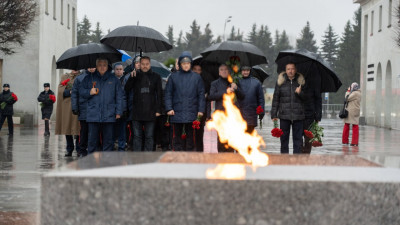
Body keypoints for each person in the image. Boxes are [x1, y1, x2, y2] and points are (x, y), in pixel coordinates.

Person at [80, 58, 123, 153]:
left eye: (104, 65)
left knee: (108, 141)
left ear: (107, 66)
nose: (102, 67)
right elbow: (81, 92)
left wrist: (118, 112)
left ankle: (106, 163)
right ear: (96, 66)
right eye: (100, 65)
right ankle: (92, 163)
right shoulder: (88, 78)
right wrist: (89, 92)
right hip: (93, 114)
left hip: (109, 114)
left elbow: (119, 96)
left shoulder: (114, 80)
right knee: (92, 142)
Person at [165, 51, 206, 151]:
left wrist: (201, 110)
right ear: (180, 64)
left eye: (188, 63)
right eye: (184, 63)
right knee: (177, 139)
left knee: (191, 139)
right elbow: (168, 94)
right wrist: (169, 108)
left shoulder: (197, 77)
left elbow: (201, 95)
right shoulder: (173, 77)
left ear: (190, 64)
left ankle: (189, 160)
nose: (186, 65)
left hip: (192, 112)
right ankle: (178, 161)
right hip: (176, 112)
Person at [125, 56, 162, 151]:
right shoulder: (134, 75)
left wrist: (158, 110)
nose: (145, 66)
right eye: (143, 64)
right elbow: (126, 89)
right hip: (136, 112)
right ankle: (138, 158)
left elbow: (159, 94)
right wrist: (131, 78)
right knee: (137, 137)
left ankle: (147, 158)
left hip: (151, 111)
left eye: (147, 64)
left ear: (150, 64)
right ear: (139, 65)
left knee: (149, 136)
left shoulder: (156, 77)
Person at [208, 64, 244, 152]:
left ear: (229, 71)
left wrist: (236, 88)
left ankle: (231, 159)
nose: (224, 71)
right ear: (219, 72)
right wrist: (225, 92)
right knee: (221, 140)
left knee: (231, 140)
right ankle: (221, 159)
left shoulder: (234, 82)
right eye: (222, 70)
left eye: (226, 70)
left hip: (233, 116)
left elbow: (242, 96)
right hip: (221, 115)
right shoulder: (215, 83)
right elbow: (211, 96)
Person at [271, 63, 305, 154]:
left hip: (298, 116)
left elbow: (307, 99)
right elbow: (276, 99)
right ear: (285, 70)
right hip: (284, 116)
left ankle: (296, 160)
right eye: (288, 69)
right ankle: (284, 160)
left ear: (296, 70)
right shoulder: (280, 82)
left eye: (292, 69)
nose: (290, 71)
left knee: (298, 140)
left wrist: (300, 93)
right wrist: (274, 114)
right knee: (284, 140)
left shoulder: (301, 82)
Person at [55, 70, 80, 157]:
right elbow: (60, 91)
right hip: (67, 105)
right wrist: (69, 92)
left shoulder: (82, 76)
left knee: (78, 128)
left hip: (78, 105)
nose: (75, 70)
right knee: (67, 127)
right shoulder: (65, 77)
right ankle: (69, 148)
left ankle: (79, 148)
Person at [71, 68, 95, 157]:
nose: (92, 68)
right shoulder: (80, 78)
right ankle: (82, 150)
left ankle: (93, 149)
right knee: (84, 131)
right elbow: (75, 93)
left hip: (96, 109)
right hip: (84, 108)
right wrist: (75, 107)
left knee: (94, 131)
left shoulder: (99, 77)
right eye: (90, 66)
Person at [238, 66, 265, 134]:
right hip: (239, 113)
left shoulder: (256, 83)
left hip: (251, 113)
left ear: (250, 71)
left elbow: (261, 98)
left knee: (250, 135)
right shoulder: (236, 82)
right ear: (241, 71)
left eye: (247, 70)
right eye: (244, 70)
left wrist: (261, 111)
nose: (245, 72)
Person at [301, 77, 322, 154]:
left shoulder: (315, 84)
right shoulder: (297, 82)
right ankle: (300, 154)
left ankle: (306, 155)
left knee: (308, 138)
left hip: (310, 115)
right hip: (298, 114)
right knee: (298, 138)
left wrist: (318, 116)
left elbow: (318, 100)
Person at [113, 63, 128, 151]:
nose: (119, 71)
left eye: (120, 69)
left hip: (123, 108)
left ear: (123, 70)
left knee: (122, 130)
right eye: (117, 69)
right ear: (114, 70)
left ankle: (121, 147)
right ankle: (112, 145)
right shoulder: (111, 79)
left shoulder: (126, 80)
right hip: (112, 109)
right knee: (112, 130)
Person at [342, 82, 361, 146]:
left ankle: (345, 141)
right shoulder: (358, 93)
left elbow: (347, 98)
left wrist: (348, 91)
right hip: (355, 111)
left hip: (351, 111)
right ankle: (354, 142)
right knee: (355, 126)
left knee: (347, 125)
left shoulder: (355, 93)